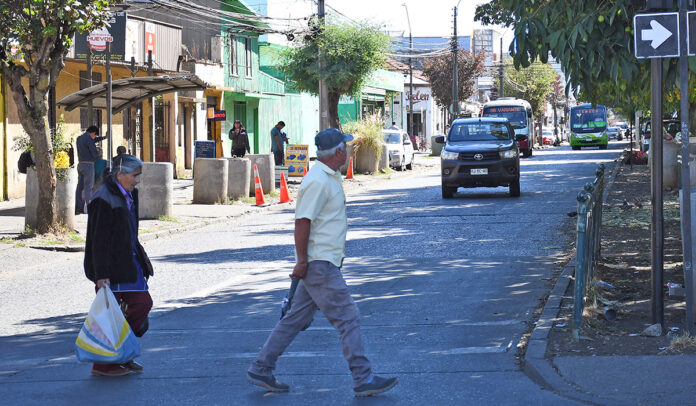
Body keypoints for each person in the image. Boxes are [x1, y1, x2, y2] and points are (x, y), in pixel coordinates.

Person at [246, 128, 398, 397]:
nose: (349, 151)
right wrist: (302, 260)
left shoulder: (329, 175)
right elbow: (303, 221)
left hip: (320, 263)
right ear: (338, 151)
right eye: (346, 147)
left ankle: (261, 367)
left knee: (294, 319)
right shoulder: (318, 179)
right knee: (348, 318)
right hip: (320, 264)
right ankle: (363, 378)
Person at [84, 154, 153, 377]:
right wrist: (101, 275)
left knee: (141, 305)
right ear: (120, 175)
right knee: (114, 316)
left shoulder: (131, 194)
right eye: (134, 176)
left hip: (130, 262)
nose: (137, 181)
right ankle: (104, 366)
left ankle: (123, 355)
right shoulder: (103, 198)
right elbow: (98, 240)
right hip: (111, 267)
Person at [75, 126, 106, 214]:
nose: (95, 137)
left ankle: (78, 207)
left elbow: (92, 141)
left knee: (79, 187)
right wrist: (96, 151)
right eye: (95, 136)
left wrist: (103, 137)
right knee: (88, 187)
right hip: (88, 165)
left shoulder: (79, 138)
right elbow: (95, 154)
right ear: (93, 133)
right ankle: (89, 208)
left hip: (80, 164)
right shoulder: (89, 139)